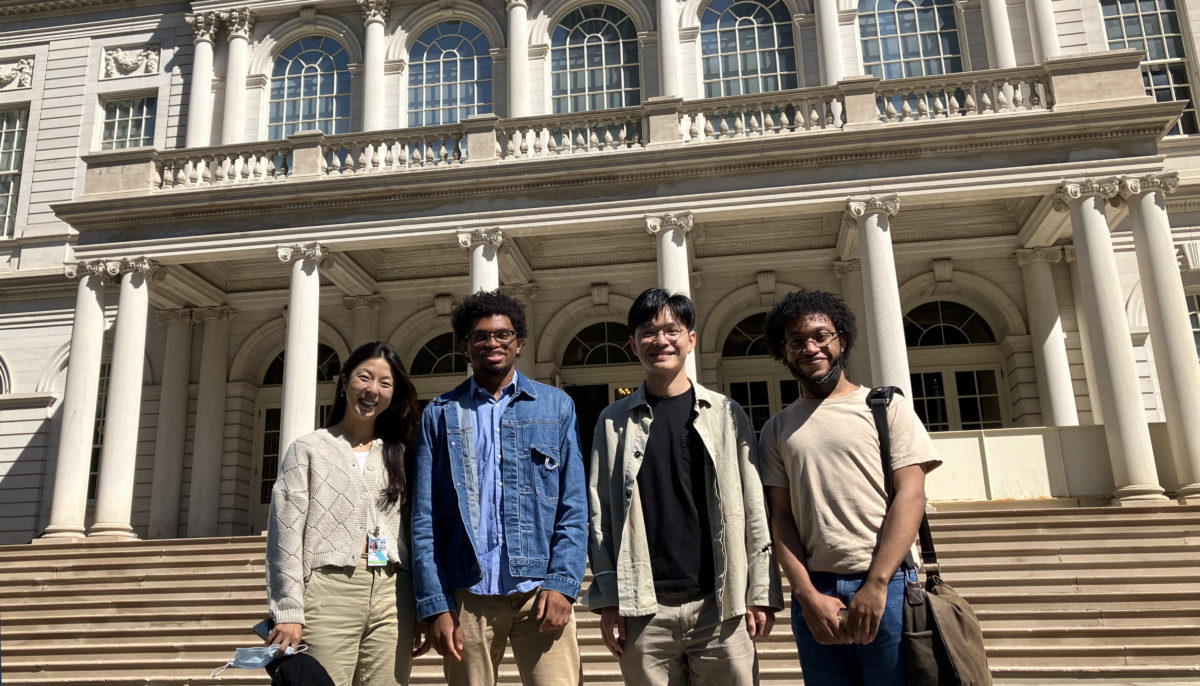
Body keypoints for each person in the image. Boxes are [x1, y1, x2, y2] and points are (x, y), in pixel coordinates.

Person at [585, 288, 782, 686]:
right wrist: (608, 600)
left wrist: (760, 589)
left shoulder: (727, 413)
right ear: (633, 343)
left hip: (719, 604)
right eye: (648, 331)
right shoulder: (613, 421)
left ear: (691, 339)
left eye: (671, 330)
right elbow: (599, 515)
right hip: (644, 608)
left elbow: (752, 505)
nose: (660, 340)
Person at [757, 290, 941, 685]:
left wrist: (876, 584)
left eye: (821, 335)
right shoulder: (776, 429)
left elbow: (911, 495)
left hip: (887, 583)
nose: (810, 348)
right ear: (783, 352)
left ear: (842, 339)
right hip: (817, 588)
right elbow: (781, 516)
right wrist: (805, 594)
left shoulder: (886, 407)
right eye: (796, 341)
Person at [411, 290, 587, 686]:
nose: (493, 343)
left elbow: (573, 504)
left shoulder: (555, 407)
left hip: (539, 590)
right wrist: (435, 604)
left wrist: (563, 584)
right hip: (469, 594)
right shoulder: (440, 414)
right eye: (481, 336)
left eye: (503, 334)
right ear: (465, 346)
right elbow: (425, 518)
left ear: (519, 342)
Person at [266, 341, 428, 686]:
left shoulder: (403, 453)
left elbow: (419, 533)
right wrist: (289, 610)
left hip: (393, 595)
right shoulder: (308, 449)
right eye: (364, 378)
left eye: (385, 383)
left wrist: (421, 607)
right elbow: (286, 536)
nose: (373, 390)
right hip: (330, 591)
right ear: (344, 382)